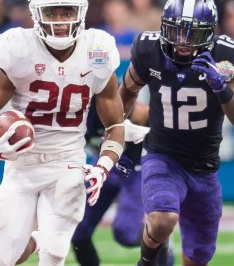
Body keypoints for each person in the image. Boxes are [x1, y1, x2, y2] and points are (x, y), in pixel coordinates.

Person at [0, 0, 125, 266]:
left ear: (81, 12)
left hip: (66, 161)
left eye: (66, 11)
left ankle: (45, 237)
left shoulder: (98, 51)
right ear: (35, 14)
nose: (59, 20)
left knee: (53, 255)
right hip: (22, 164)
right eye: (51, 12)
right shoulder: (20, 49)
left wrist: (103, 167)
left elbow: (115, 126)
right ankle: (36, 236)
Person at [118, 0, 234, 265]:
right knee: (161, 219)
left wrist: (221, 88)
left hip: (204, 168)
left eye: (192, 34)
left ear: (209, 33)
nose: (182, 42)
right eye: (176, 31)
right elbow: (126, 92)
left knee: (199, 256)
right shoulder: (149, 50)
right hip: (162, 156)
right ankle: (146, 262)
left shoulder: (226, 56)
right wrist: (117, 132)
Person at [71, 101, 174, 266]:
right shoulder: (65, 109)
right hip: (104, 166)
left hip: (134, 168)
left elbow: (149, 116)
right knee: (78, 232)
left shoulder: (110, 102)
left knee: (126, 233)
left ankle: (160, 239)